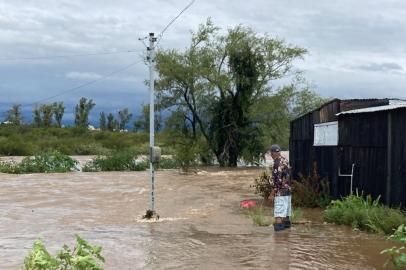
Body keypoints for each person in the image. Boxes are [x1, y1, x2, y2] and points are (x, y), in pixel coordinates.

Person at [268, 144, 291, 231]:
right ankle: (286, 237)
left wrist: (272, 194)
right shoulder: (285, 160)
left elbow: (278, 181)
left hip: (280, 192)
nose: (271, 155)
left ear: (273, 153)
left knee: (278, 215)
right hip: (288, 191)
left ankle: (279, 240)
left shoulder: (276, 164)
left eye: (271, 153)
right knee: (285, 215)